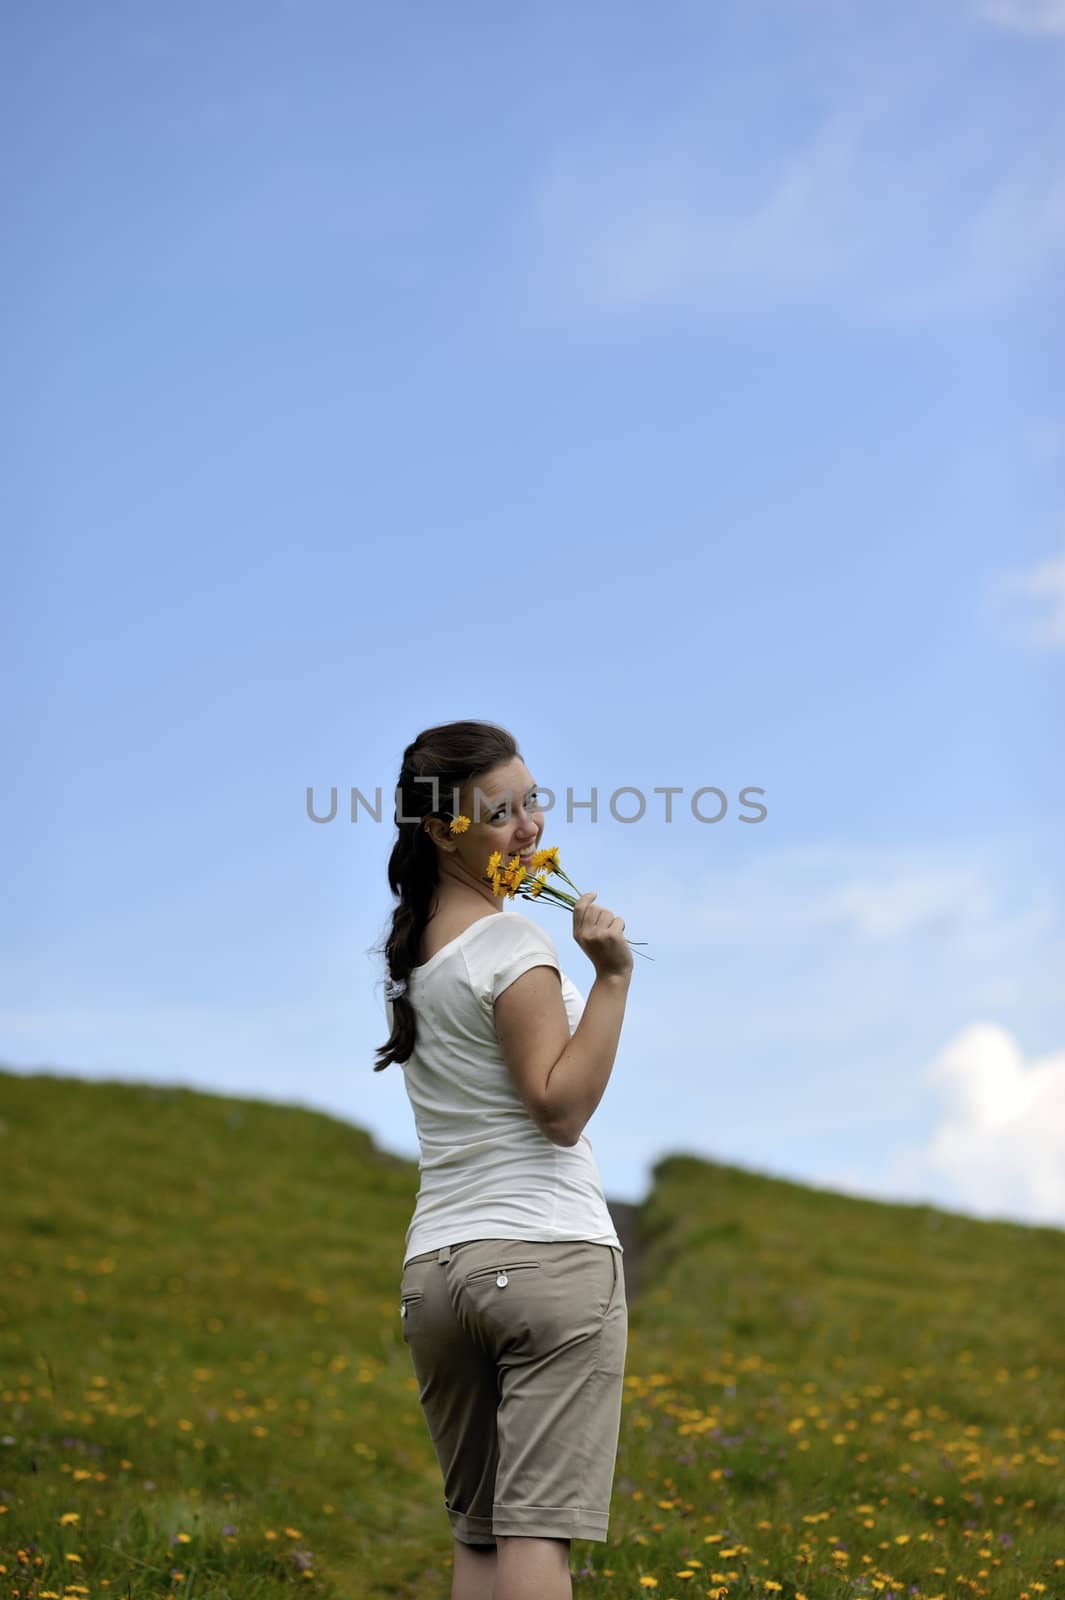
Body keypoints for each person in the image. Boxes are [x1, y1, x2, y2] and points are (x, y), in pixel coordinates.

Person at [374, 719, 633, 1600]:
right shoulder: (514, 945)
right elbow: (558, 1109)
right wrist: (611, 979)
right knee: (533, 1539)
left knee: (478, 1542)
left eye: (531, 802)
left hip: (435, 1277)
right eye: (500, 815)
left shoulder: (413, 959)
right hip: (545, 1253)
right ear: (443, 830)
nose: (528, 829)